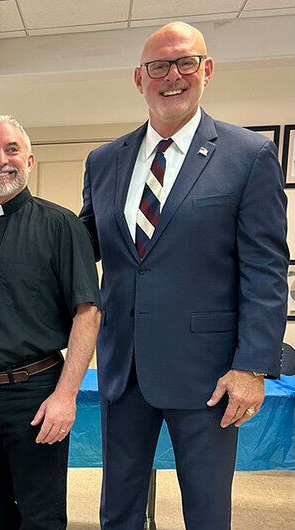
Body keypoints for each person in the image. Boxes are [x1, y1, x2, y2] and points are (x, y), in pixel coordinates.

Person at [79, 22, 287, 529]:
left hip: (210, 376)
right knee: (119, 508)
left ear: (206, 70)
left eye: (185, 62)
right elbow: (82, 249)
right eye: (158, 66)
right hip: (123, 369)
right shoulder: (104, 161)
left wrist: (253, 367)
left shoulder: (248, 155)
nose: (171, 76)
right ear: (138, 78)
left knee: (207, 509)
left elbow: (265, 269)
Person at [0, 115, 101, 529]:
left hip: (36, 395)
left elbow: (88, 312)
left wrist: (66, 396)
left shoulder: (62, 226)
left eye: (12, 149)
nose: (1, 160)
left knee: (41, 517)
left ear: (29, 161)